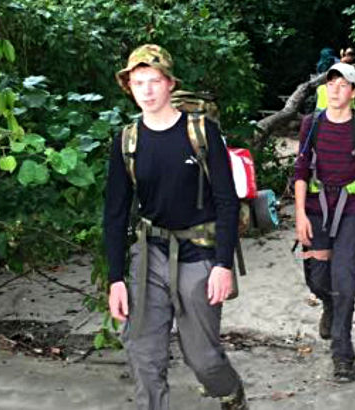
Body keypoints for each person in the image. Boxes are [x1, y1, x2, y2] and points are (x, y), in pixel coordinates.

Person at [104, 44, 247, 410]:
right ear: (129, 88)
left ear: (169, 84)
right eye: (138, 83)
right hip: (149, 253)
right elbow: (116, 213)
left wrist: (222, 265)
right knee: (142, 350)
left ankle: (230, 391)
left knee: (202, 358)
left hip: (199, 251)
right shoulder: (127, 140)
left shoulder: (201, 132)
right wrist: (115, 278)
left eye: (154, 81)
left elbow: (227, 202)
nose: (147, 91)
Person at [294, 62, 355, 383]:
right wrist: (299, 214)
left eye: (343, 85)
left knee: (346, 281)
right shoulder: (312, 123)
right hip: (316, 206)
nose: (335, 90)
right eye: (331, 84)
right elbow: (301, 171)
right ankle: (329, 306)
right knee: (318, 280)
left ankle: (342, 354)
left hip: (350, 207)